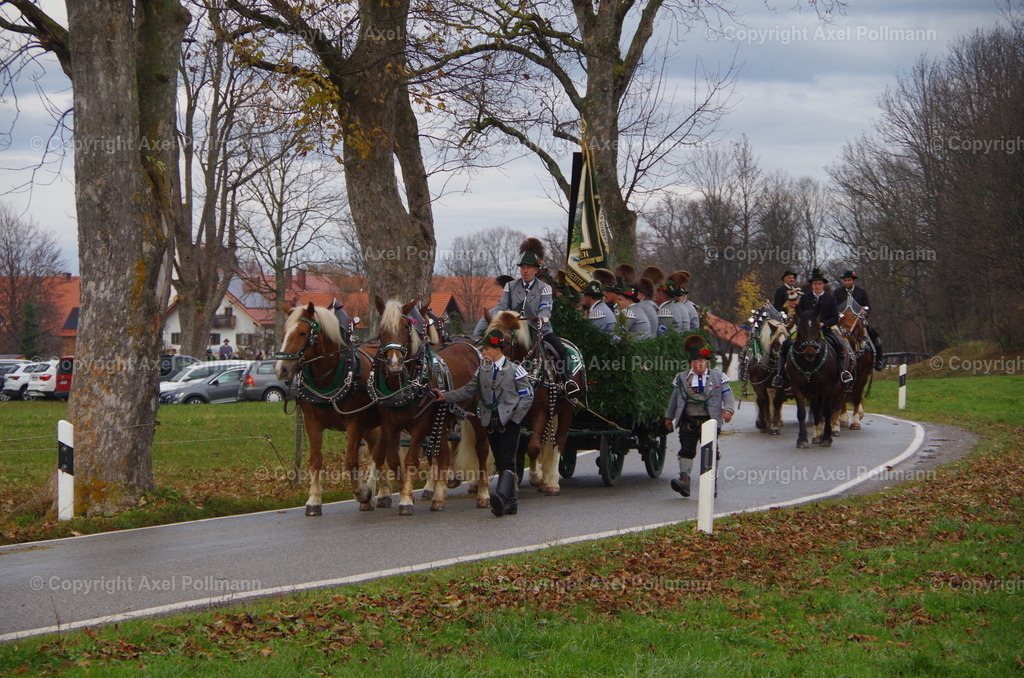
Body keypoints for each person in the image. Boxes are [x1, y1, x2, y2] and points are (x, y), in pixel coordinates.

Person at [436, 329, 534, 517]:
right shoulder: (483, 371)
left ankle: (501, 498)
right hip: (490, 421)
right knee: (500, 460)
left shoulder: (516, 370)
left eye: (487, 349)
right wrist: (445, 396)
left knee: (506, 461)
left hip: (510, 422)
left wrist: (516, 418)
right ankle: (511, 504)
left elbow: (527, 396)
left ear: (498, 349)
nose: (483, 352)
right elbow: (467, 391)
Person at [494, 238, 577, 395]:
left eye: (529, 268)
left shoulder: (544, 288)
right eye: (523, 267)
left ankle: (568, 381)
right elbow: (501, 306)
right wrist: (498, 316)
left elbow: (546, 309)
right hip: (515, 329)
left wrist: (542, 318)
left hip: (540, 330)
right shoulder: (510, 287)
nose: (525, 271)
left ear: (536, 270)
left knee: (561, 350)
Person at [664, 337, 735, 497]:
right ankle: (684, 481)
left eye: (702, 361)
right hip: (688, 420)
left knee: (710, 451)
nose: (699, 365)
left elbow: (728, 395)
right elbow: (674, 399)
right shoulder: (681, 378)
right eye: (696, 362)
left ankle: (711, 483)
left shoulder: (718, 377)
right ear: (690, 363)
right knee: (686, 450)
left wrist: (728, 410)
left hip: (709, 421)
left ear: (706, 362)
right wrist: (668, 417)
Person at [773, 268, 854, 387]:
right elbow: (799, 314)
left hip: (825, 330)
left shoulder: (830, 298)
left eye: (819, 284)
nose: (817, 286)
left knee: (840, 345)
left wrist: (824, 324)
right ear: (812, 285)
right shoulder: (806, 298)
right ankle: (779, 375)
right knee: (785, 345)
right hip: (807, 332)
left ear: (823, 285)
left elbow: (835, 317)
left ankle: (843, 372)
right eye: (815, 284)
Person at [834, 270, 885, 370]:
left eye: (849, 280)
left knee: (876, 336)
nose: (847, 282)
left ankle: (879, 360)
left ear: (854, 281)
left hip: (859, 321)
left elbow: (867, 306)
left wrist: (865, 312)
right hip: (842, 323)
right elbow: (834, 307)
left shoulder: (861, 291)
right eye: (845, 280)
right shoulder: (837, 292)